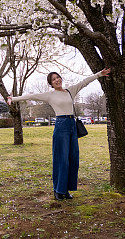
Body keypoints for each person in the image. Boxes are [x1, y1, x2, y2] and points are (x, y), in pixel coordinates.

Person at [7, 68, 111, 200]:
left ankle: (66, 190)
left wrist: (99, 74)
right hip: (61, 126)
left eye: (58, 77)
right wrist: (13, 98)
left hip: (72, 125)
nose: (57, 80)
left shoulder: (70, 91)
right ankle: (58, 190)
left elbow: (84, 82)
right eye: (53, 79)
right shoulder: (50, 95)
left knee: (73, 159)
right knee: (61, 159)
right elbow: (30, 96)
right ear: (51, 83)